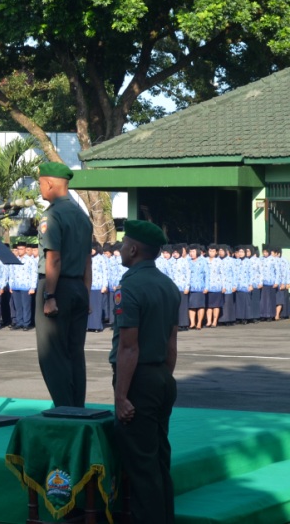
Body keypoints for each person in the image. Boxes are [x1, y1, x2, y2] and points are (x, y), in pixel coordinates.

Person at [111, 219, 179, 524]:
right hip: (162, 378)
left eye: (124, 244)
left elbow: (129, 347)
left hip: (139, 381)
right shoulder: (168, 285)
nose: (121, 249)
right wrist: (163, 377)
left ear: (134, 249)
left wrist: (121, 395)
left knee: (141, 467)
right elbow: (171, 343)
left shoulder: (131, 285)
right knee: (159, 460)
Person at [35, 162, 92, 408]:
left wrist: (49, 295)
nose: (40, 188)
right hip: (79, 287)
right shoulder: (82, 216)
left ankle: (64, 409)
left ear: (48, 183)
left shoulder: (52, 215)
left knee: (53, 355)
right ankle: (76, 406)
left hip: (57, 289)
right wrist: (87, 295)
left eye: (39, 183)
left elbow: (53, 259)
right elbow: (88, 261)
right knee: (74, 353)